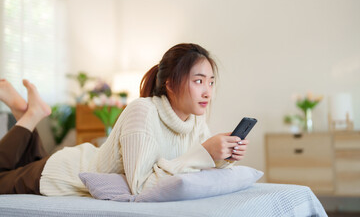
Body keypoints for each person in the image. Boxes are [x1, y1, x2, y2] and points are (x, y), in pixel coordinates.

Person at [0, 43, 249, 196]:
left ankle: (25, 112)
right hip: (62, 173)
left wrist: (221, 158)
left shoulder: (195, 121)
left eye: (211, 82)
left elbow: (195, 166)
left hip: (74, 160)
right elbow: (140, 186)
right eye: (198, 81)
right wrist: (205, 152)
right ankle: (32, 114)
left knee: (23, 162)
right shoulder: (142, 111)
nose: (208, 91)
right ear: (170, 84)